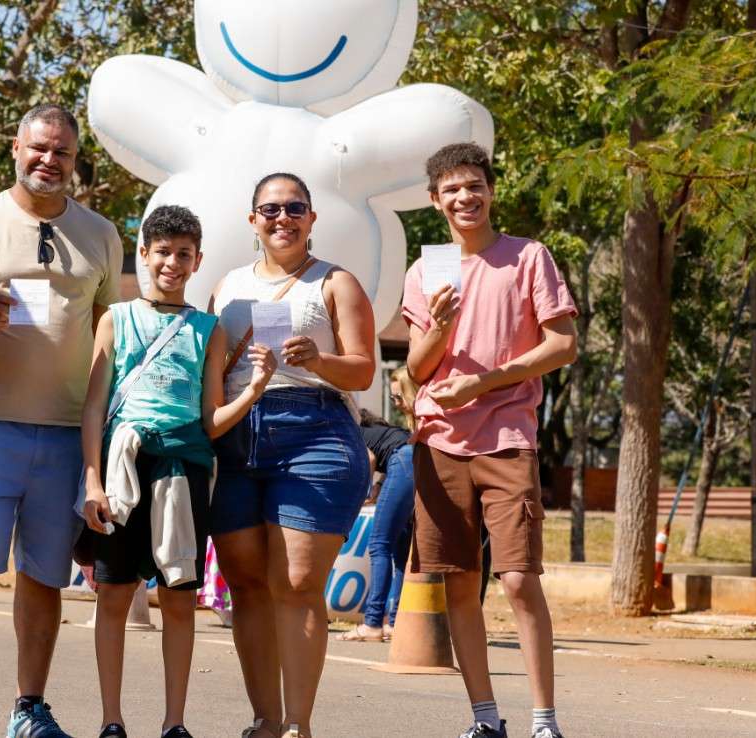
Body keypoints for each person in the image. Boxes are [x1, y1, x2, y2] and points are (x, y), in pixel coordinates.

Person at [0, 104, 122, 738]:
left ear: (75, 159)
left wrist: (104, 437)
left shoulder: (101, 233)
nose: (49, 160)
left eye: (62, 152)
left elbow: (109, 335)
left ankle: (28, 710)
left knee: (44, 578)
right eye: (39, 147)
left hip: (68, 432)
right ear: (16, 147)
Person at [78, 205, 275, 738]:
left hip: (183, 471)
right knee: (114, 594)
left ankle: (174, 723)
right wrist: (92, 479)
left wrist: (254, 391)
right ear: (143, 254)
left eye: (183, 254)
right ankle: (111, 720)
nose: (172, 263)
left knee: (179, 597)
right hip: (122, 468)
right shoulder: (115, 318)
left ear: (197, 261)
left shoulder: (208, 329)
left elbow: (211, 420)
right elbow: (94, 407)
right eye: (162, 252)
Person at [402, 143, 578, 738]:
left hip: (507, 436)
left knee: (520, 579)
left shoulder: (528, 256)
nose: (464, 197)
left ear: (491, 191)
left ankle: (545, 722)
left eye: (474, 185)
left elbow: (563, 345)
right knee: (458, 581)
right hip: (439, 440)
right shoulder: (426, 271)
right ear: (435, 201)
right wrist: (441, 325)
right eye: (451, 189)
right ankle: (484, 719)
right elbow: (418, 369)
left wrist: (484, 381)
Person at [208, 172, 377, 738]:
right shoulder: (228, 285)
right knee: (246, 583)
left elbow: (363, 370)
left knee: (298, 583)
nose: (283, 218)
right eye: (271, 209)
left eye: (295, 208)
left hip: (314, 432)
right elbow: (213, 367)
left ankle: (297, 726)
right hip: (236, 433)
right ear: (252, 219)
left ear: (311, 218)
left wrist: (318, 360)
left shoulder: (335, 281)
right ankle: (265, 719)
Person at [339, 369, 418, 642]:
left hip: (404, 463)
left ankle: (372, 622)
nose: (395, 403)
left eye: (398, 397)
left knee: (379, 544)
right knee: (400, 551)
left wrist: (361, 493)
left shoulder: (352, 430)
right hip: (415, 464)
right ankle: (395, 623)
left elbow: (370, 459)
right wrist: (379, 486)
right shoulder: (384, 430)